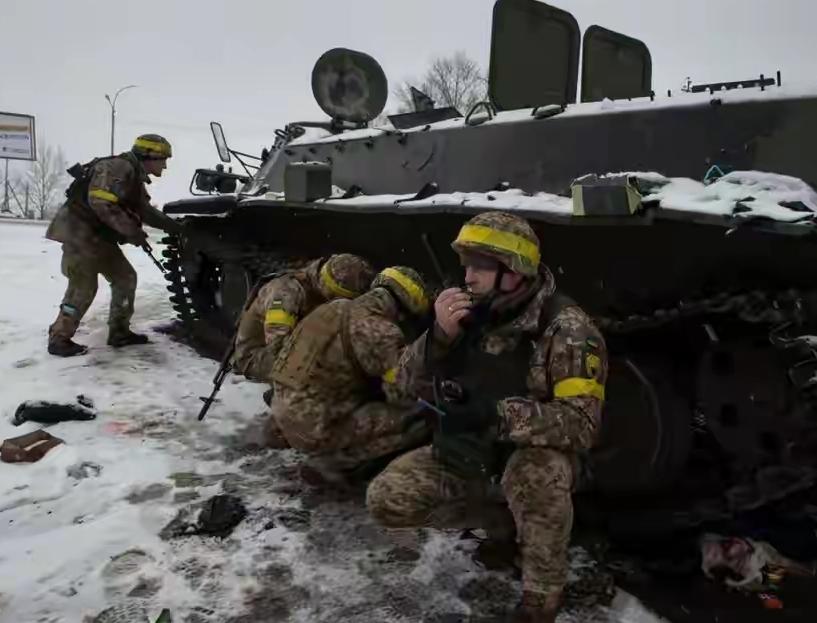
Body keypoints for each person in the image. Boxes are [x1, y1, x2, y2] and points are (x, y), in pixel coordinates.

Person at [365, 211, 608, 622]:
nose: (468, 278)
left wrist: (498, 416)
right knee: (387, 499)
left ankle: (542, 591)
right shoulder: (470, 314)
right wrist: (439, 337)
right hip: (474, 449)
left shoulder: (567, 329)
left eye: (479, 267)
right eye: (466, 267)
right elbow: (403, 384)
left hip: (533, 455)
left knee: (534, 473)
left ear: (513, 272)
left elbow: (582, 426)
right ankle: (504, 521)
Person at [269, 266, 432, 479]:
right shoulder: (381, 331)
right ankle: (335, 464)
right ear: (403, 311)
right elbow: (400, 396)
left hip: (284, 412)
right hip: (314, 428)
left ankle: (313, 442)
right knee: (417, 418)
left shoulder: (335, 307)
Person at [45, 134, 181, 357]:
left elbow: (144, 210)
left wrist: (175, 227)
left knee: (125, 278)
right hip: (80, 235)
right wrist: (132, 231)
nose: (165, 165)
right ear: (149, 157)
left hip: (100, 238)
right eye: (163, 159)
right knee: (83, 287)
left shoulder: (132, 176)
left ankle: (119, 332)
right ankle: (59, 338)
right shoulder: (119, 167)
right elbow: (100, 202)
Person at [231, 254, 375, 383]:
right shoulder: (286, 294)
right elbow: (279, 348)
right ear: (328, 286)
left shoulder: (317, 284)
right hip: (257, 356)